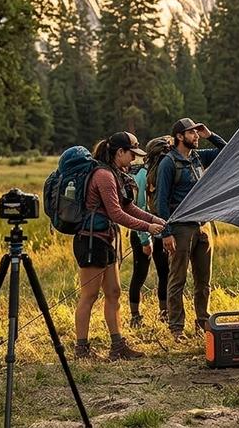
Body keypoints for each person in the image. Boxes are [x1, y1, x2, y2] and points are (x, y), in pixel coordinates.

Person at [74, 132, 166, 360]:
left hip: (106, 240)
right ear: (119, 152)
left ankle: (118, 346)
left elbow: (129, 206)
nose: (134, 159)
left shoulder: (116, 173)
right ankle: (81, 349)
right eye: (131, 154)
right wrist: (147, 228)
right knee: (89, 295)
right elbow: (117, 213)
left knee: (113, 292)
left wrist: (154, 219)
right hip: (91, 241)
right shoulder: (104, 175)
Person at [158, 118, 226, 337]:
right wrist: (166, 233)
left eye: (197, 133)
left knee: (203, 281)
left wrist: (210, 135)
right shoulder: (168, 163)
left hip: (202, 226)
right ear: (180, 136)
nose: (196, 136)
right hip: (180, 228)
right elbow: (161, 201)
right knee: (177, 279)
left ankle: (203, 324)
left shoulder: (198, 157)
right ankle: (176, 328)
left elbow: (228, 151)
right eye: (192, 133)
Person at [126, 137, 172, 327]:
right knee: (140, 273)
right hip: (142, 233)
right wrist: (145, 240)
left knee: (165, 273)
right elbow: (141, 206)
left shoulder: (160, 173)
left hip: (160, 231)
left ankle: (164, 313)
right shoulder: (144, 175)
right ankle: (135, 316)